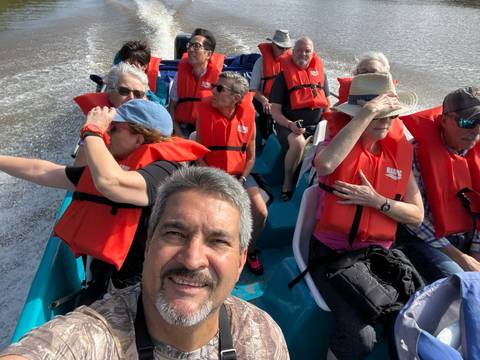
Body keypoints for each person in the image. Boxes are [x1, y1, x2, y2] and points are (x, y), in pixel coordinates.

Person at [0, 167, 290, 360]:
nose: (192, 259)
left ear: (240, 262)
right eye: (175, 234)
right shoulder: (96, 336)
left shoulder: (260, 333)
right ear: (149, 243)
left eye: (217, 241)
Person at [0, 100, 209, 302]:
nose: (107, 134)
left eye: (114, 128)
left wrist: (93, 132)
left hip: (145, 291)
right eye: (107, 128)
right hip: (107, 282)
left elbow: (111, 183)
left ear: (139, 138)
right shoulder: (115, 167)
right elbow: (42, 170)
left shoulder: (165, 173)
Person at [311, 73, 423, 359]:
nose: (386, 121)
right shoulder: (334, 146)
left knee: (415, 323)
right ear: (357, 115)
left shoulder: (395, 156)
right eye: (378, 115)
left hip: (376, 258)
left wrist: (377, 201)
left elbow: (416, 215)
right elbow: (325, 165)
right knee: (361, 339)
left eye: (391, 115)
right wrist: (369, 110)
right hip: (332, 256)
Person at [397, 86, 480, 283]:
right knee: (461, 284)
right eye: (468, 122)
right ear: (445, 120)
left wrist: (476, 252)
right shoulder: (413, 154)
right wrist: (461, 258)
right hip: (426, 240)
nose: (475, 130)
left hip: (469, 236)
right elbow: (416, 222)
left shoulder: (476, 155)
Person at [196, 71, 268, 275]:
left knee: (261, 211)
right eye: (214, 86)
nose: (213, 91)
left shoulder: (249, 118)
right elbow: (198, 151)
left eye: (219, 89)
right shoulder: (205, 111)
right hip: (210, 173)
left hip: (240, 175)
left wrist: (242, 178)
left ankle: (249, 250)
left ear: (235, 98)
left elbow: (251, 157)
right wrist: (213, 177)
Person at [270, 36, 331, 201]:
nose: (303, 54)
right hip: (287, 125)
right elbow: (274, 111)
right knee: (298, 143)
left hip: (316, 126)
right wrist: (290, 125)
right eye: (299, 50)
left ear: (313, 54)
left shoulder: (321, 75)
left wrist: (330, 125)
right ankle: (287, 182)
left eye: (307, 51)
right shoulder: (282, 78)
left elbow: (327, 104)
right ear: (292, 52)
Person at [169, 28, 225, 138]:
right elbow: (172, 107)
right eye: (189, 45)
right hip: (182, 127)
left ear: (208, 54)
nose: (190, 49)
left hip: (207, 129)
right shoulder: (180, 75)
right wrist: (177, 132)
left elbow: (223, 112)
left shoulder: (220, 79)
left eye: (196, 46)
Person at [249, 29, 293, 141]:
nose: (284, 51)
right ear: (273, 45)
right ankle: (264, 138)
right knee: (267, 110)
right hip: (264, 98)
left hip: (283, 100)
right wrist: (264, 100)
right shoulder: (261, 62)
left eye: (286, 48)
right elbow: (252, 89)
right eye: (280, 47)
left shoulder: (292, 62)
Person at [114, 40, 165, 105]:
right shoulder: (116, 76)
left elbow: (161, 104)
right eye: (126, 64)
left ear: (144, 67)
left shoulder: (158, 82)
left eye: (132, 65)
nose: (128, 68)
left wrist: (143, 88)